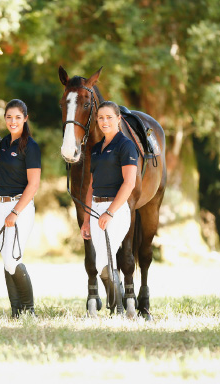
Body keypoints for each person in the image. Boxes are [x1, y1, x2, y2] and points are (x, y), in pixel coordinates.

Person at [0, 99, 41, 317]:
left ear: (25, 119)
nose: (13, 121)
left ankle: (30, 311)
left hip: (20, 208)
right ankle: (17, 312)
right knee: (6, 261)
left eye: (18, 117)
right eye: (9, 117)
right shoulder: (6, 143)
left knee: (12, 260)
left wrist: (15, 212)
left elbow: (34, 184)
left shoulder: (31, 146)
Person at [80, 100, 138, 307]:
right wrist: (86, 220)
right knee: (100, 262)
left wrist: (110, 212)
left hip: (116, 209)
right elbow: (91, 187)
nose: (104, 122)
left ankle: (119, 307)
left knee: (105, 261)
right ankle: (118, 306)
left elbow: (129, 183)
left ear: (119, 119)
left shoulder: (126, 145)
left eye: (109, 117)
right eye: (101, 118)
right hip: (95, 208)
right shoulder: (96, 149)